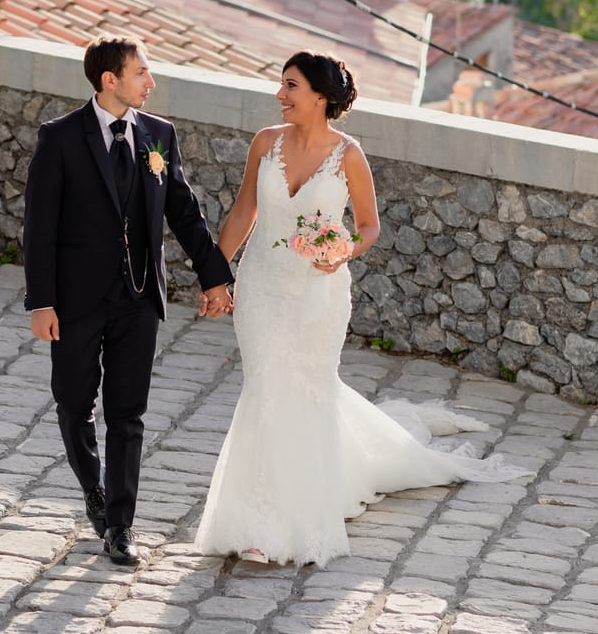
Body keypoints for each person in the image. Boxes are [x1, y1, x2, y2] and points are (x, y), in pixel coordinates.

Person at [195, 51, 531, 567]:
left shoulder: (348, 155)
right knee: (265, 386)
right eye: (281, 85)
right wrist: (217, 275)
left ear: (321, 97)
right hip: (262, 287)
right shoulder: (265, 143)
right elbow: (245, 211)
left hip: (317, 294)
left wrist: (342, 250)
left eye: (290, 86)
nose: (280, 95)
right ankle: (256, 518)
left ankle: (291, 515)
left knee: (303, 392)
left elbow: (369, 226)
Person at [23, 38, 235, 567]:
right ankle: (92, 488)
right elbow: (39, 226)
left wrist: (214, 278)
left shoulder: (158, 136)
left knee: (128, 414)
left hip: (139, 298)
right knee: (74, 405)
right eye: (142, 72)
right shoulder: (61, 138)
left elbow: (183, 212)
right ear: (110, 81)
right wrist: (41, 302)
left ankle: (120, 524)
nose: (151, 82)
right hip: (74, 302)